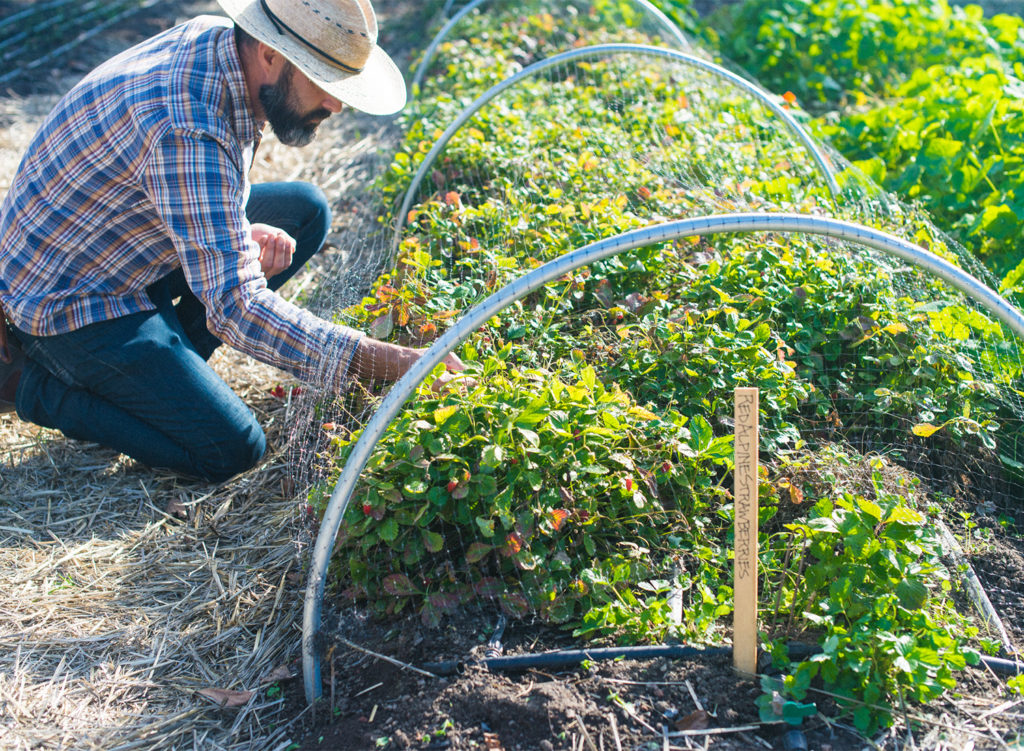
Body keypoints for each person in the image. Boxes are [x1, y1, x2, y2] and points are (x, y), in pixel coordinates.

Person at [0, 0, 463, 482]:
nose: (336, 105)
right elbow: (237, 306)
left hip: (120, 244)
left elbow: (189, 187)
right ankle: (27, 385)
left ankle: (159, 379)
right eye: (324, 82)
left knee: (304, 211)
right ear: (270, 53)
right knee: (231, 447)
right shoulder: (187, 124)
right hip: (72, 297)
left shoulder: (221, 44)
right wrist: (392, 362)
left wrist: (234, 231)